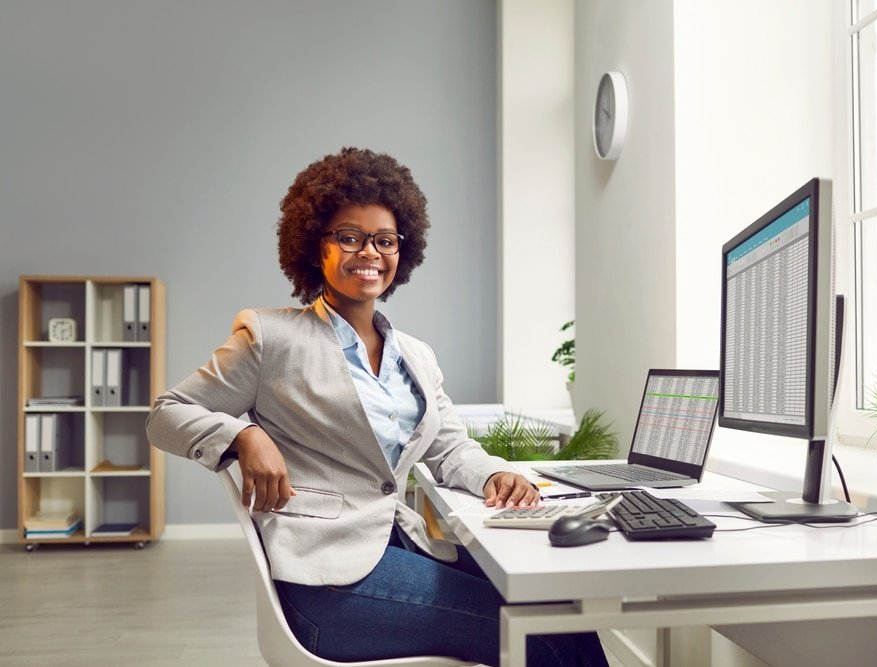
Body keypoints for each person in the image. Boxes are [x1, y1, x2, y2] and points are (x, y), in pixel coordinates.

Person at [146, 147, 609, 667]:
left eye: (384, 240)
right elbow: (166, 412)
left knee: (561, 610)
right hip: (327, 584)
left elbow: (450, 447)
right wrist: (242, 437)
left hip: (396, 547)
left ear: (400, 252)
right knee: (544, 637)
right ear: (314, 246)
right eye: (349, 237)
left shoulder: (416, 354)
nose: (369, 252)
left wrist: (495, 475)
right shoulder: (269, 338)